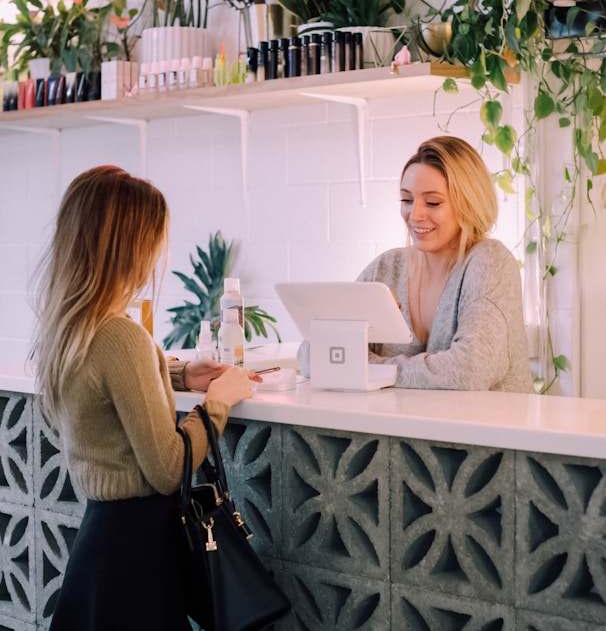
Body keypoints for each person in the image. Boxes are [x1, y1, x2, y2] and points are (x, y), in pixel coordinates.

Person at [31, 165, 262, 631]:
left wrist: (175, 374)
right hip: (137, 556)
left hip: (100, 544)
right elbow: (166, 469)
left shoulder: (70, 328)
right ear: (131, 246)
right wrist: (217, 401)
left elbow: (103, 384)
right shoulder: (121, 336)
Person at [299, 135, 534, 393]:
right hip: (404, 430)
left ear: (469, 202)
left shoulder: (489, 262)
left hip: (486, 431)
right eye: (407, 200)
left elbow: (470, 370)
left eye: (433, 202)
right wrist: (358, 322)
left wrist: (372, 369)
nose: (415, 214)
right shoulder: (387, 268)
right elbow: (311, 357)